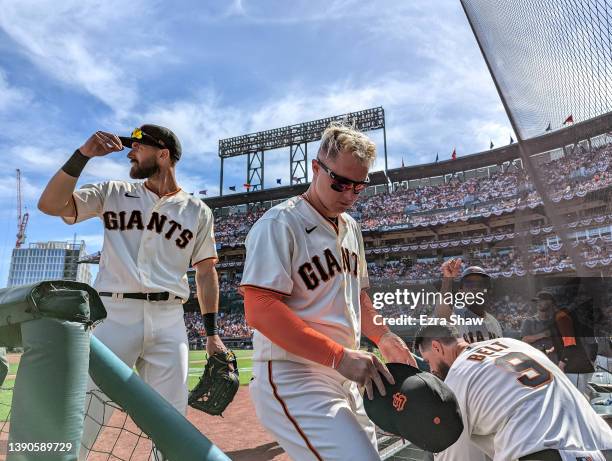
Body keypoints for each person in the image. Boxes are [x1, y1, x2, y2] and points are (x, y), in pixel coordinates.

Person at [38, 126, 226, 458]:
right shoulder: (113, 191)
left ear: (163, 154)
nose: (130, 153)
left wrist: (212, 334)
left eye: (138, 147)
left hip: (169, 319)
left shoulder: (198, 211)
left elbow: (206, 273)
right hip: (113, 314)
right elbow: (50, 205)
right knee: (83, 412)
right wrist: (82, 155)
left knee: (172, 423)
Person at [241, 123, 417, 461]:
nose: (349, 195)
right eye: (340, 183)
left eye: (359, 187)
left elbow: (358, 296)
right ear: (316, 168)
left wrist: (383, 335)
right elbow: (259, 307)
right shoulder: (280, 223)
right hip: (294, 374)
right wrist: (337, 356)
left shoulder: (351, 227)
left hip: (346, 373)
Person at [415, 324, 612, 461]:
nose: (431, 369)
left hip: (540, 454)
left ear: (436, 347)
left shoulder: (457, 377)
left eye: (428, 360)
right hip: (598, 448)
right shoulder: (514, 344)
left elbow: (458, 456)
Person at [434, 259, 503, 343]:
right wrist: (448, 279)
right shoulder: (456, 315)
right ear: (461, 291)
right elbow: (442, 315)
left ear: (487, 290)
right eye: (469, 283)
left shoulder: (494, 322)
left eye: (481, 284)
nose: (475, 287)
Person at [521, 291, 558, 363]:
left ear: (550, 303)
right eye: (537, 301)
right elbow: (524, 339)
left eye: (542, 301)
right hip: (537, 362)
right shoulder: (529, 321)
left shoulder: (556, 321)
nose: (538, 303)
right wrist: (543, 335)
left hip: (554, 363)